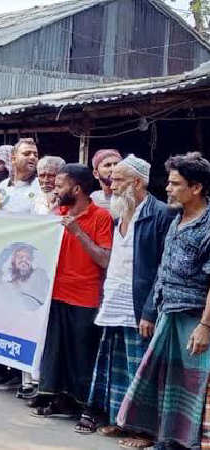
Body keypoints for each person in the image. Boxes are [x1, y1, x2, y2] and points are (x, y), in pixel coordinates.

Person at [71, 155, 173, 443]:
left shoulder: (161, 214)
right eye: (112, 179)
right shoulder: (120, 213)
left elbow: (163, 268)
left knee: (140, 369)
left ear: (137, 183)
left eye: (118, 180)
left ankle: (144, 431)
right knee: (116, 368)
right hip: (115, 302)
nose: (111, 185)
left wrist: (151, 310)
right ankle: (122, 419)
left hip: (140, 306)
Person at [117, 152, 210, 450]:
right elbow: (162, 268)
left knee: (193, 388)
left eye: (175, 183)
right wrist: (150, 311)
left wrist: (205, 326)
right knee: (168, 383)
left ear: (196, 188)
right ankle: (167, 440)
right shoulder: (177, 218)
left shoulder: (208, 226)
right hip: (167, 313)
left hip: (194, 317)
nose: (167, 188)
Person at [30, 164, 113, 419]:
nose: (55, 189)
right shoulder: (59, 212)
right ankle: (59, 400)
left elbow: (105, 259)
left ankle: (87, 408)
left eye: (60, 185)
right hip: (56, 293)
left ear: (76, 189)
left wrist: (77, 232)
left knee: (82, 354)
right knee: (58, 352)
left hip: (84, 296)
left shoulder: (100, 217)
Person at [0, 138, 43, 394]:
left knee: (27, 321)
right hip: (2, 268)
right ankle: (7, 372)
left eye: (35, 154)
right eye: (27, 153)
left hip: (28, 268)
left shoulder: (41, 190)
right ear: (13, 159)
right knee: (5, 321)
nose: (32, 158)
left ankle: (30, 381)